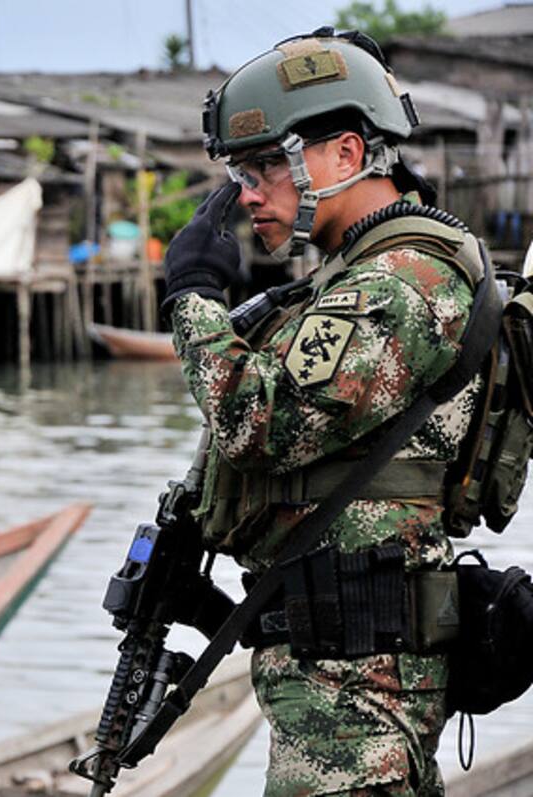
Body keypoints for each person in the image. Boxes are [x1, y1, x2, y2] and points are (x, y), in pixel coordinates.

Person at [162, 29, 487, 796]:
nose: (248, 192)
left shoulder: (404, 280)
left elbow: (258, 421)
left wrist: (193, 300)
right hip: (335, 691)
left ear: (345, 155)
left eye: (269, 163)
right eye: (241, 171)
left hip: (358, 712)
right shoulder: (348, 279)